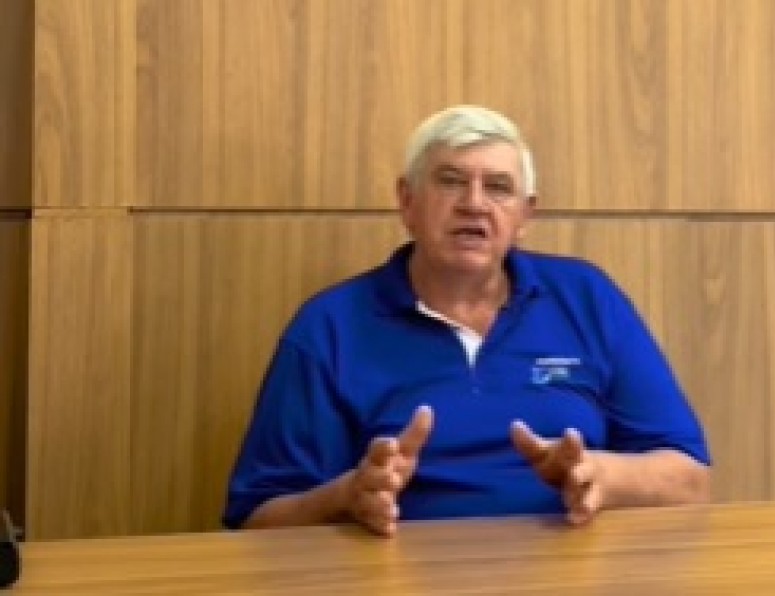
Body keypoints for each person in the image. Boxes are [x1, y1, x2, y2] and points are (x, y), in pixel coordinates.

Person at [223, 105, 711, 536]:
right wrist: (346, 498)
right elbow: (256, 521)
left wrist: (601, 476)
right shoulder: (330, 326)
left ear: (525, 216)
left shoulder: (586, 297)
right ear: (408, 202)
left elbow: (690, 479)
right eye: (451, 181)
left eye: (498, 187)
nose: (474, 203)